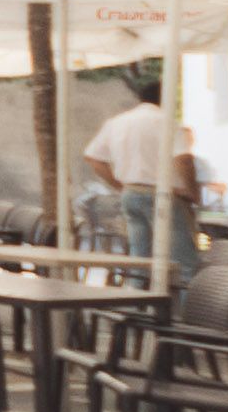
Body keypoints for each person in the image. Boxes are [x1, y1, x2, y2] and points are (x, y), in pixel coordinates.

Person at [85, 73, 199, 277]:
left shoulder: (117, 122)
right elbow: (183, 160)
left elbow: (93, 157)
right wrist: (192, 191)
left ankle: (138, 303)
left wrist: (119, 185)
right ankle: (183, 308)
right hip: (162, 195)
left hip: (131, 194)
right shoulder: (168, 122)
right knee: (183, 262)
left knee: (140, 258)